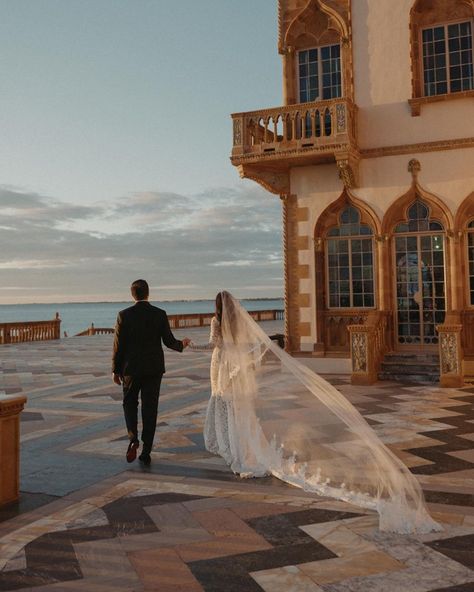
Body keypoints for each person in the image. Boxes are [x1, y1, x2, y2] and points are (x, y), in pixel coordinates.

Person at [190, 291, 441, 535]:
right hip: (234, 369)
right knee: (237, 408)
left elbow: (215, 344)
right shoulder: (238, 321)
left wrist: (189, 346)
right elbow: (252, 346)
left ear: (218, 307)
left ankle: (233, 447)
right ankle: (240, 445)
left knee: (225, 404)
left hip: (222, 366)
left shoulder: (217, 321)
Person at [112, 279, 190, 465]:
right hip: (154, 369)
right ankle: (146, 450)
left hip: (131, 369)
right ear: (148, 293)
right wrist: (182, 345)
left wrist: (115, 370)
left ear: (133, 295)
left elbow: (118, 346)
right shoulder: (159, 314)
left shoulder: (124, 315)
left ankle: (133, 437)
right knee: (150, 408)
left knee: (129, 404)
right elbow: (168, 341)